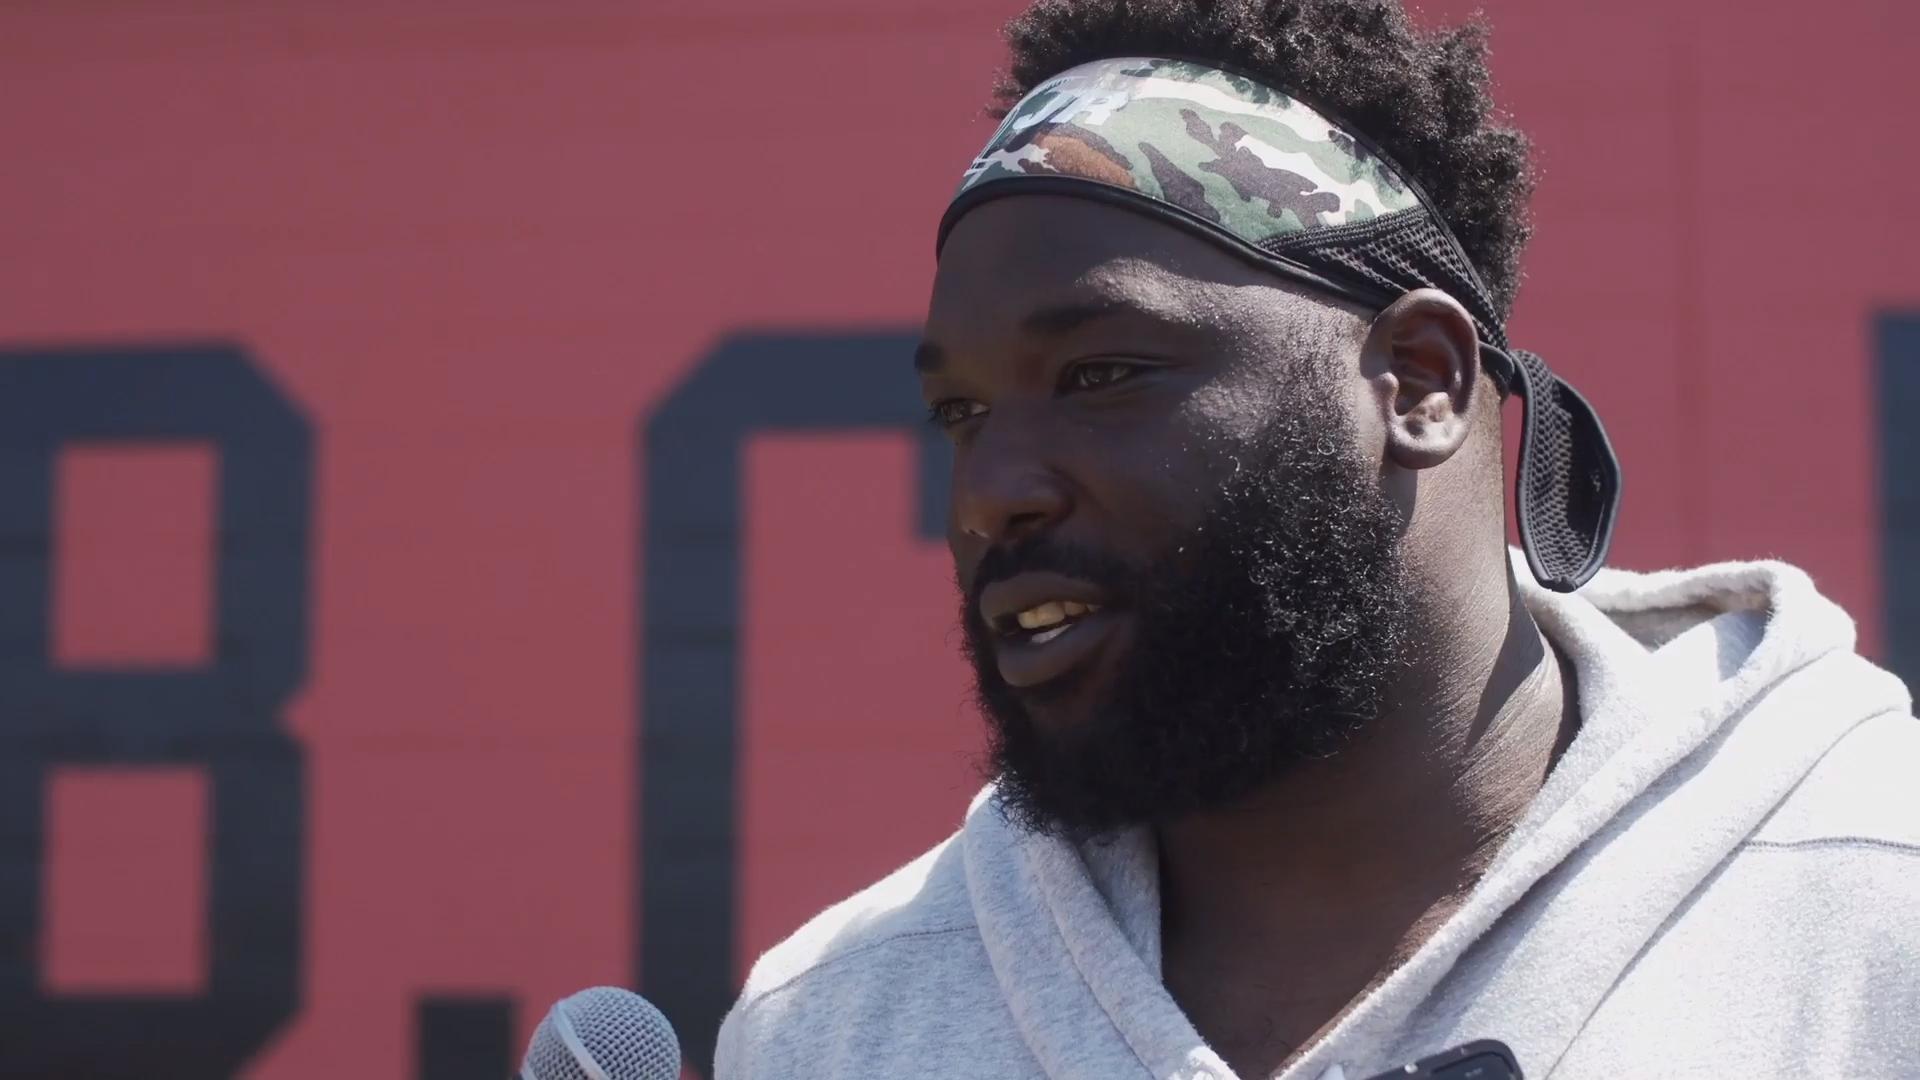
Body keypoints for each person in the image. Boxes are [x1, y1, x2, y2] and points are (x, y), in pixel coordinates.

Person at [715, 1, 1920, 1076]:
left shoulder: (1876, 898)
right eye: (961, 415)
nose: (990, 495)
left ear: (1420, 381)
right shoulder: (833, 1024)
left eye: (1100, 373)